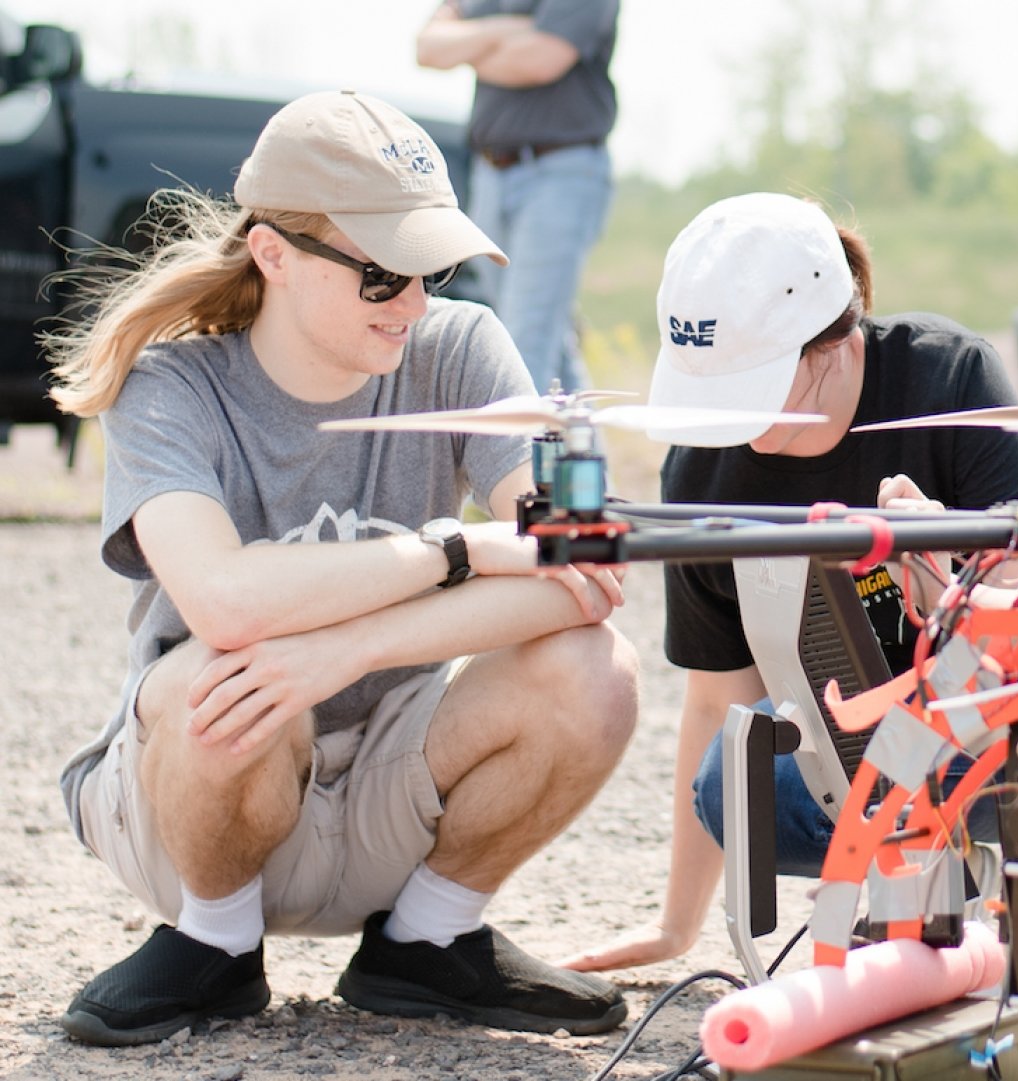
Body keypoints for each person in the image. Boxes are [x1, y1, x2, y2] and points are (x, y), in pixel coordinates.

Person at [43, 90, 638, 1047]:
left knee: (595, 662)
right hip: (203, 786)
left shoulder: (460, 345)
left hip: (387, 790)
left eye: (431, 268)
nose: (413, 301)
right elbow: (223, 600)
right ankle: (216, 943)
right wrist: (456, 549)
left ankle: (429, 940)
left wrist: (348, 649)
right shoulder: (168, 384)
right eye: (380, 275)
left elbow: (585, 562)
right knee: (227, 676)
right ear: (273, 253)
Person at [559, 193, 1018, 972]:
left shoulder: (951, 383)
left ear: (832, 341)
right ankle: (916, 901)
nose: (738, 420)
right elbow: (720, 700)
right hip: (847, 756)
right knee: (731, 779)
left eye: (753, 384)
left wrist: (939, 571)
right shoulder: (701, 465)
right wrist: (675, 928)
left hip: (1000, 729)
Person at [416, 0, 618, 394]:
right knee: (542, 338)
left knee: (523, 341)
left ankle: (518, 455)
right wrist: (507, 30)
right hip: (492, 172)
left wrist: (470, 48)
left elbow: (541, 60)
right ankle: (582, 457)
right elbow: (428, 48)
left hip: (561, 171)